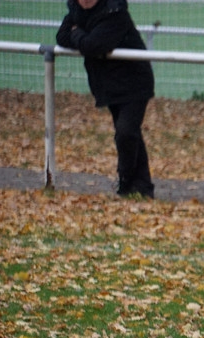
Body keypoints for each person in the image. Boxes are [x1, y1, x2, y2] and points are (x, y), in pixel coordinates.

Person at [57, 0, 155, 199]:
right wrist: (82, 37)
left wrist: (78, 34)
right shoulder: (76, 10)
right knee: (129, 134)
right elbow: (62, 37)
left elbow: (95, 45)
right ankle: (143, 187)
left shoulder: (115, 11)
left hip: (135, 81)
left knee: (126, 132)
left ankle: (126, 182)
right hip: (109, 85)